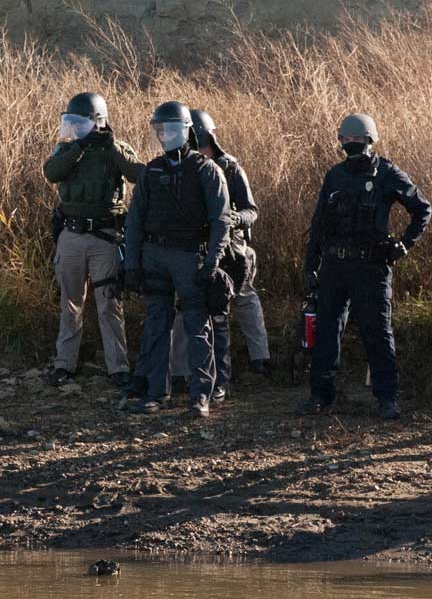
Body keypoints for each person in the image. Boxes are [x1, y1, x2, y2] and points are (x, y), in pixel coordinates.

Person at [299, 113, 431, 419]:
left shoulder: (387, 173)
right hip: (334, 266)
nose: (353, 145)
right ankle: (321, 396)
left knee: (378, 332)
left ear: (370, 141)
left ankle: (387, 399)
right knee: (327, 332)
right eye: (348, 140)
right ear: (341, 141)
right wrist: (311, 265)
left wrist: (403, 246)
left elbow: (422, 209)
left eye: (358, 140)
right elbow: (319, 223)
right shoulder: (335, 175)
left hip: (371, 267)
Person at [122, 101, 232, 417]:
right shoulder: (151, 171)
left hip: (190, 257)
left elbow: (221, 220)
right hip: (154, 256)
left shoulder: (206, 170)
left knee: (197, 326)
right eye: (160, 129)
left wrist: (212, 261)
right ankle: (157, 392)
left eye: (170, 129)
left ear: (186, 131)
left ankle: (201, 396)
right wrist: (131, 264)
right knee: (156, 325)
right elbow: (134, 221)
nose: (164, 135)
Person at [168, 109, 274, 399]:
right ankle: (180, 372)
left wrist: (231, 219)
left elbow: (251, 210)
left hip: (233, 247)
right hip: (196, 249)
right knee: (184, 307)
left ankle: (259, 358)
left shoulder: (230, 167)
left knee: (244, 297)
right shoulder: (180, 168)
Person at [42, 92, 143, 389]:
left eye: (80, 123)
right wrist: (80, 147)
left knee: (109, 304)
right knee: (70, 303)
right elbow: (52, 172)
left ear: (98, 121)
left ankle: (118, 368)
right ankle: (64, 365)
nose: (75, 128)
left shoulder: (117, 148)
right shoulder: (69, 148)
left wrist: (110, 146)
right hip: (71, 234)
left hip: (105, 236)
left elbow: (138, 174)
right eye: (71, 123)